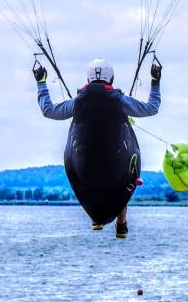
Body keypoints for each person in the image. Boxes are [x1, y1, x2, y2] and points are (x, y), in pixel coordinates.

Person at [34, 57, 162, 239]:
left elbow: (49, 111)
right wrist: (155, 81)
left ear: (88, 80)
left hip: (85, 167)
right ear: (111, 79)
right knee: (124, 177)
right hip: (115, 164)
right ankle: (121, 225)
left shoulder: (78, 102)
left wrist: (41, 82)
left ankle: (97, 217)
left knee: (102, 172)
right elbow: (152, 108)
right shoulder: (120, 101)